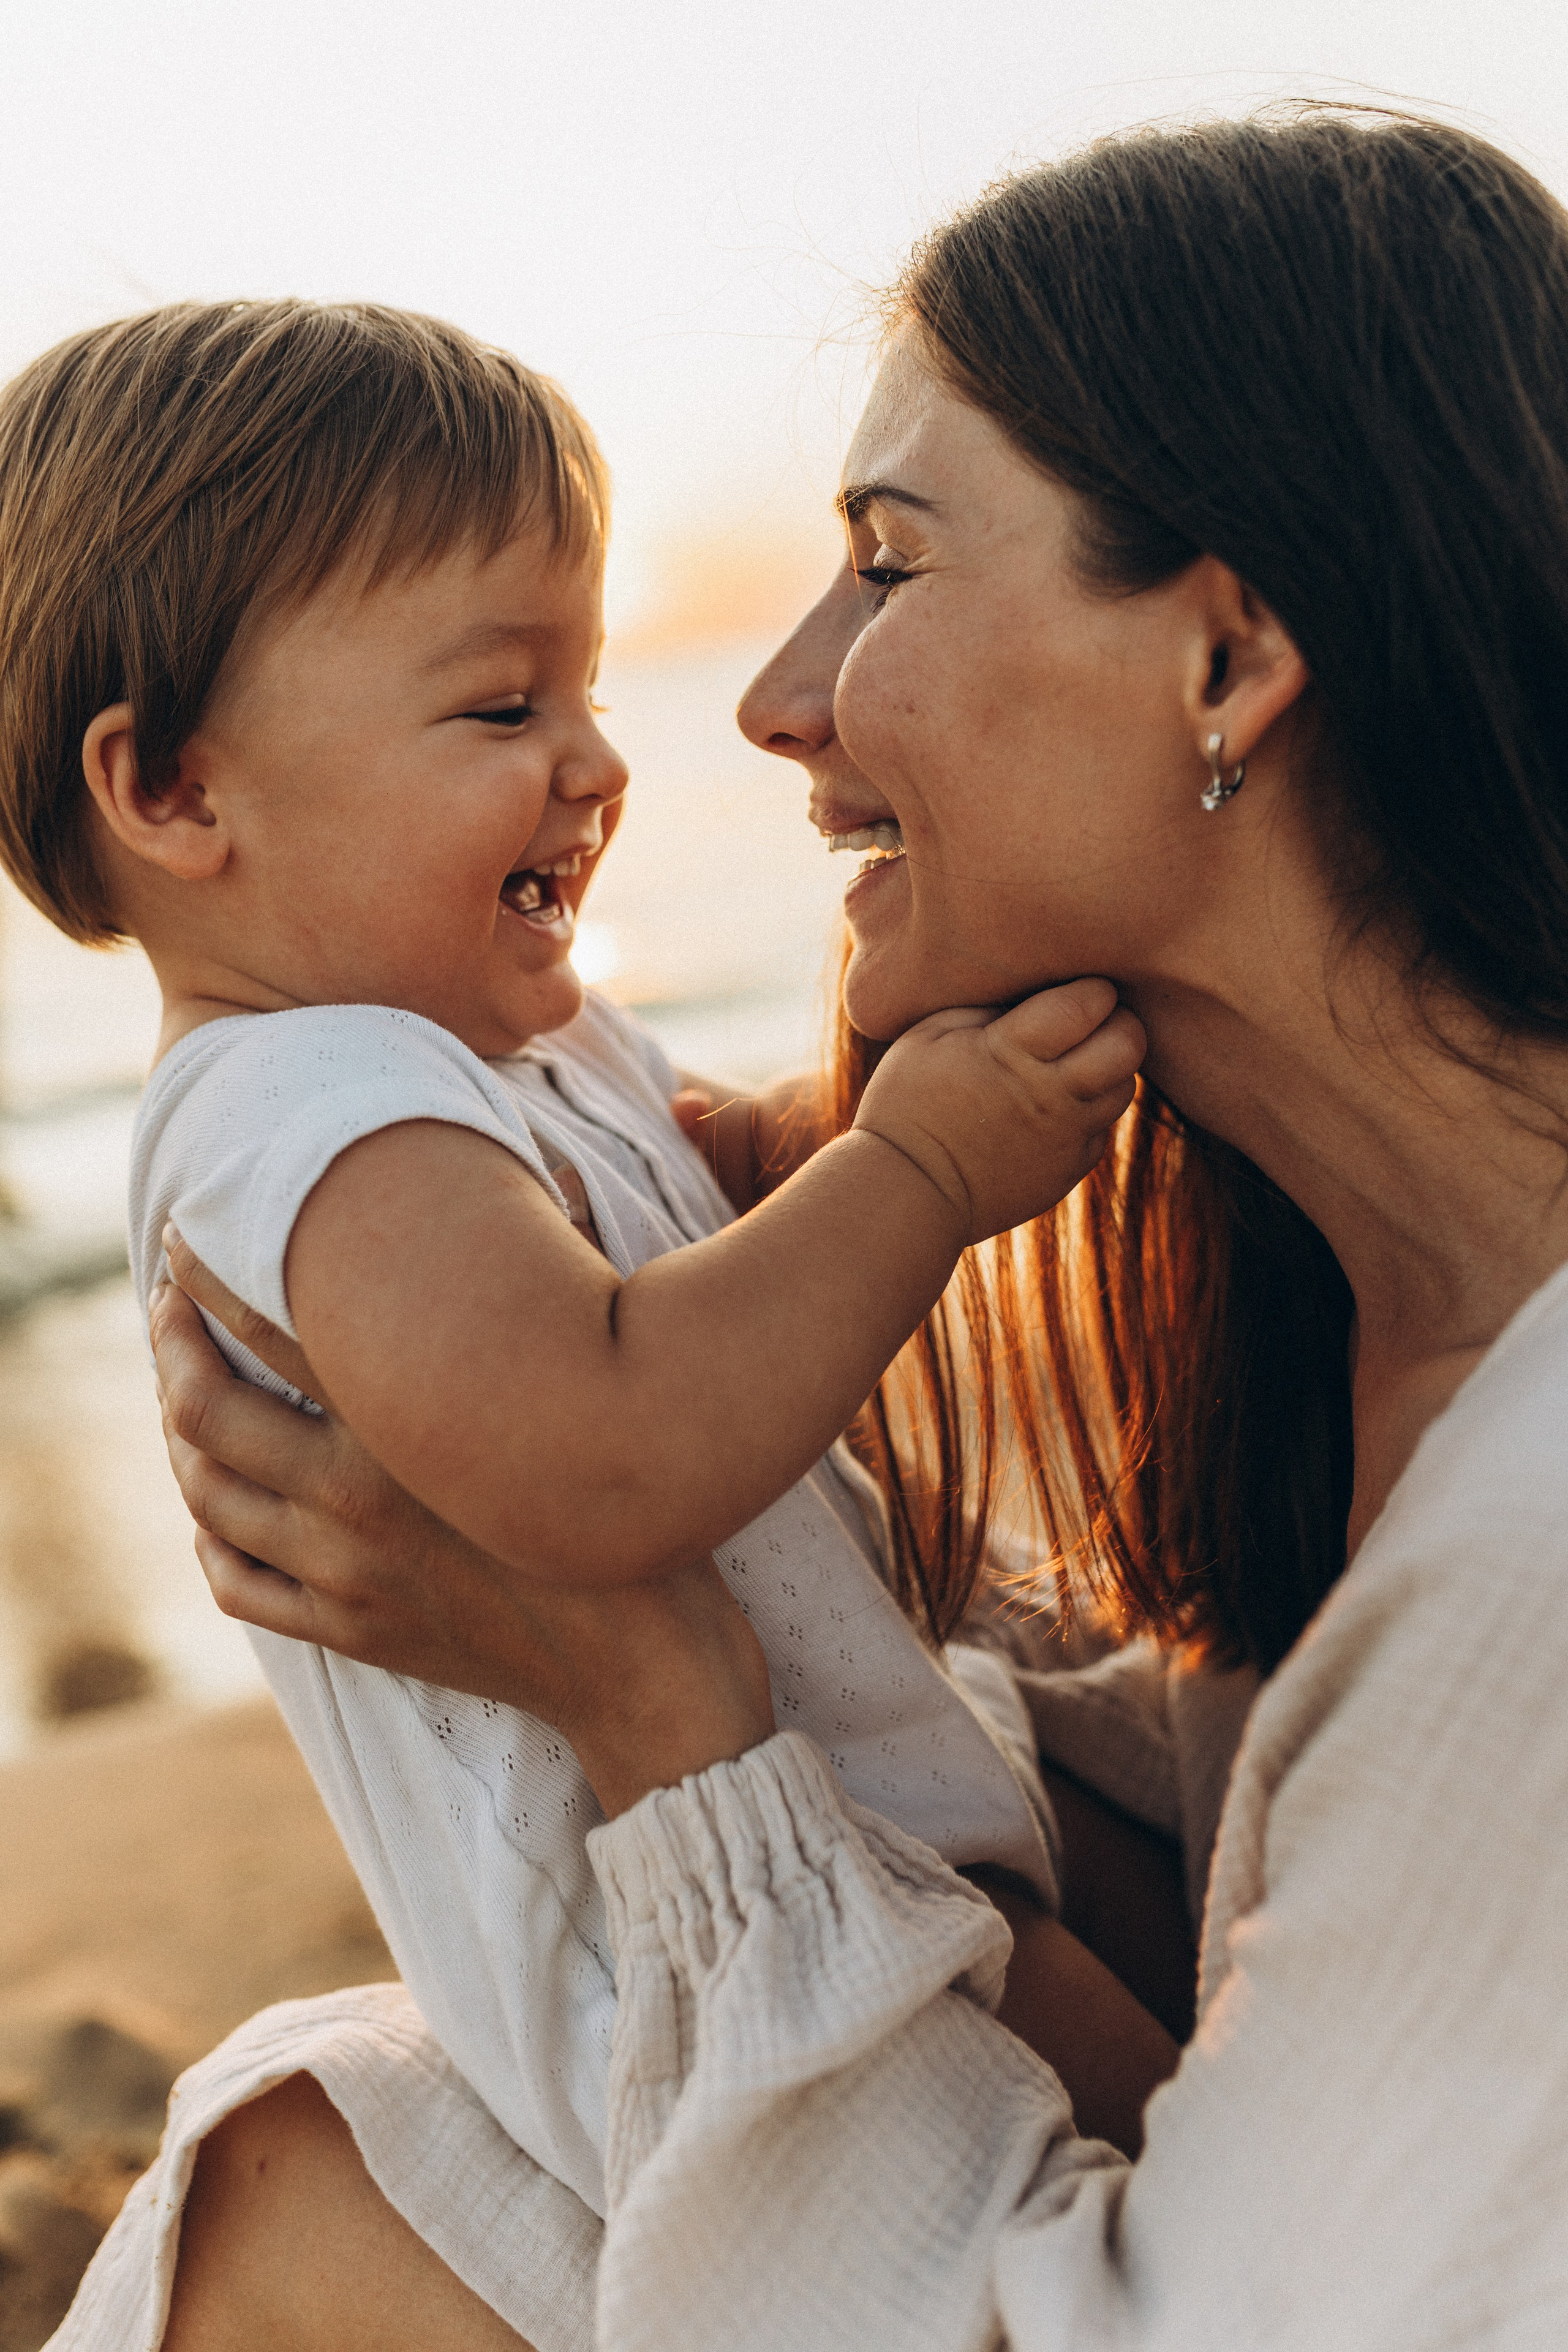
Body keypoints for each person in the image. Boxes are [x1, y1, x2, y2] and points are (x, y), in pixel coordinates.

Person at [139, 104, 1568, 2346]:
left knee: (302, 2191)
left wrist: (646, 1691)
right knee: (313, 2149)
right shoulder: (1370, 1323)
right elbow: (1304, 1858)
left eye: (889, 562)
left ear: (1229, 663)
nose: (769, 697)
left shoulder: (1536, 1548)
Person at [2, 302, 1167, 2352]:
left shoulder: (469, 1044)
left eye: (593, 681)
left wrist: (843, 1128)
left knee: (1215, 2130)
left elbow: (690, 1214)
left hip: (878, 1840)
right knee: (1204, 2189)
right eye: (497, 707)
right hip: (704, 1958)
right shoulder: (304, 1115)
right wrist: (927, 1174)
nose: (602, 762)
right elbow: (607, 1448)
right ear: (176, 786)